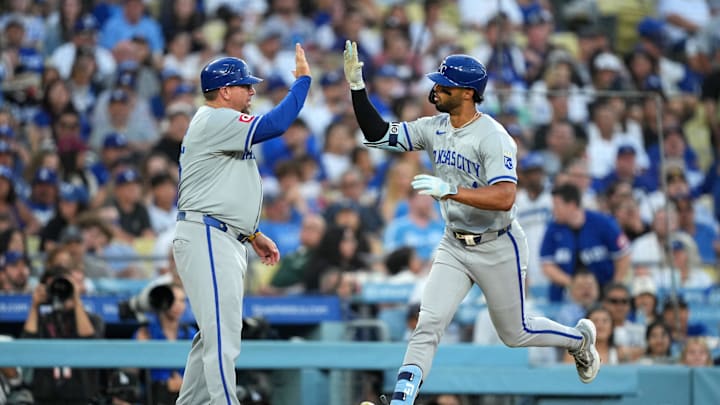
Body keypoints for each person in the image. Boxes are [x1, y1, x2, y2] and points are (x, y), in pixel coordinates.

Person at [342, 41, 600, 405]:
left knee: (515, 332)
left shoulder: (493, 137)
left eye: (444, 85)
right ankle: (401, 400)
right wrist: (357, 88)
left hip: (497, 242)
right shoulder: (434, 126)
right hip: (454, 243)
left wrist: (451, 190)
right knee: (427, 325)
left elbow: (505, 196)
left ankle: (579, 340)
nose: (435, 89)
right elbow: (379, 135)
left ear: (467, 93)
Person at [172, 44, 311, 405]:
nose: (252, 92)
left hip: (219, 234)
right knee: (222, 337)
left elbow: (222, 188)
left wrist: (251, 233)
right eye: (245, 86)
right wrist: (302, 83)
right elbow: (278, 124)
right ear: (224, 92)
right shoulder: (215, 119)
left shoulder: (219, 124)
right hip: (207, 235)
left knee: (213, 336)